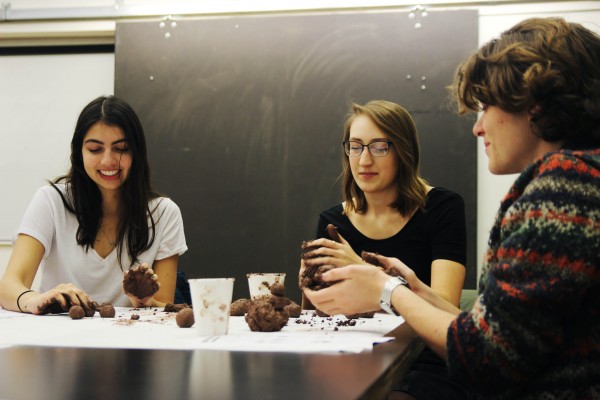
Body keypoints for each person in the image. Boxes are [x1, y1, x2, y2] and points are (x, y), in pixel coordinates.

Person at [303, 17, 600, 399]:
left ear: (536, 104)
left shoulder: (564, 188)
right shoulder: (580, 179)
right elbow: (501, 336)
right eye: (355, 147)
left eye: (488, 104)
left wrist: (385, 289)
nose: (478, 127)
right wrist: (413, 289)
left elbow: (488, 357)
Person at [301, 100, 471, 399]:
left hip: (424, 363)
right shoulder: (331, 222)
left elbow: (446, 306)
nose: (364, 160)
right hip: (354, 357)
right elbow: (321, 315)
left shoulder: (442, 208)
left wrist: (361, 269)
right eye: (355, 146)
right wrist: (309, 288)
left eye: (379, 147)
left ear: (404, 151)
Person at [0, 95, 188, 314]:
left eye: (121, 148)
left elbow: (164, 307)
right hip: (58, 342)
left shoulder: (164, 213)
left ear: (136, 153)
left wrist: (146, 301)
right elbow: (8, 287)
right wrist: (35, 300)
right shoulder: (51, 201)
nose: (108, 161)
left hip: (129, 340)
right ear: (79, 153)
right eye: (95, 149)